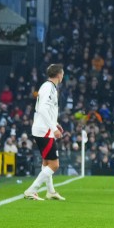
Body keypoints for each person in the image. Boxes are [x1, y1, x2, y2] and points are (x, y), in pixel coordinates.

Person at [24, 64, 67, 201]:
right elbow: (42, 109)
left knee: (46, 161)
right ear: (59, 74)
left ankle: (50, 191)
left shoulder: (49, 87)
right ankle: (32, 190)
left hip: (43, 128)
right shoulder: (49, 87)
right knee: (54, 165)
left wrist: (56, 124)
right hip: (44, 130)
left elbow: (47, 110)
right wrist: (53, 128)